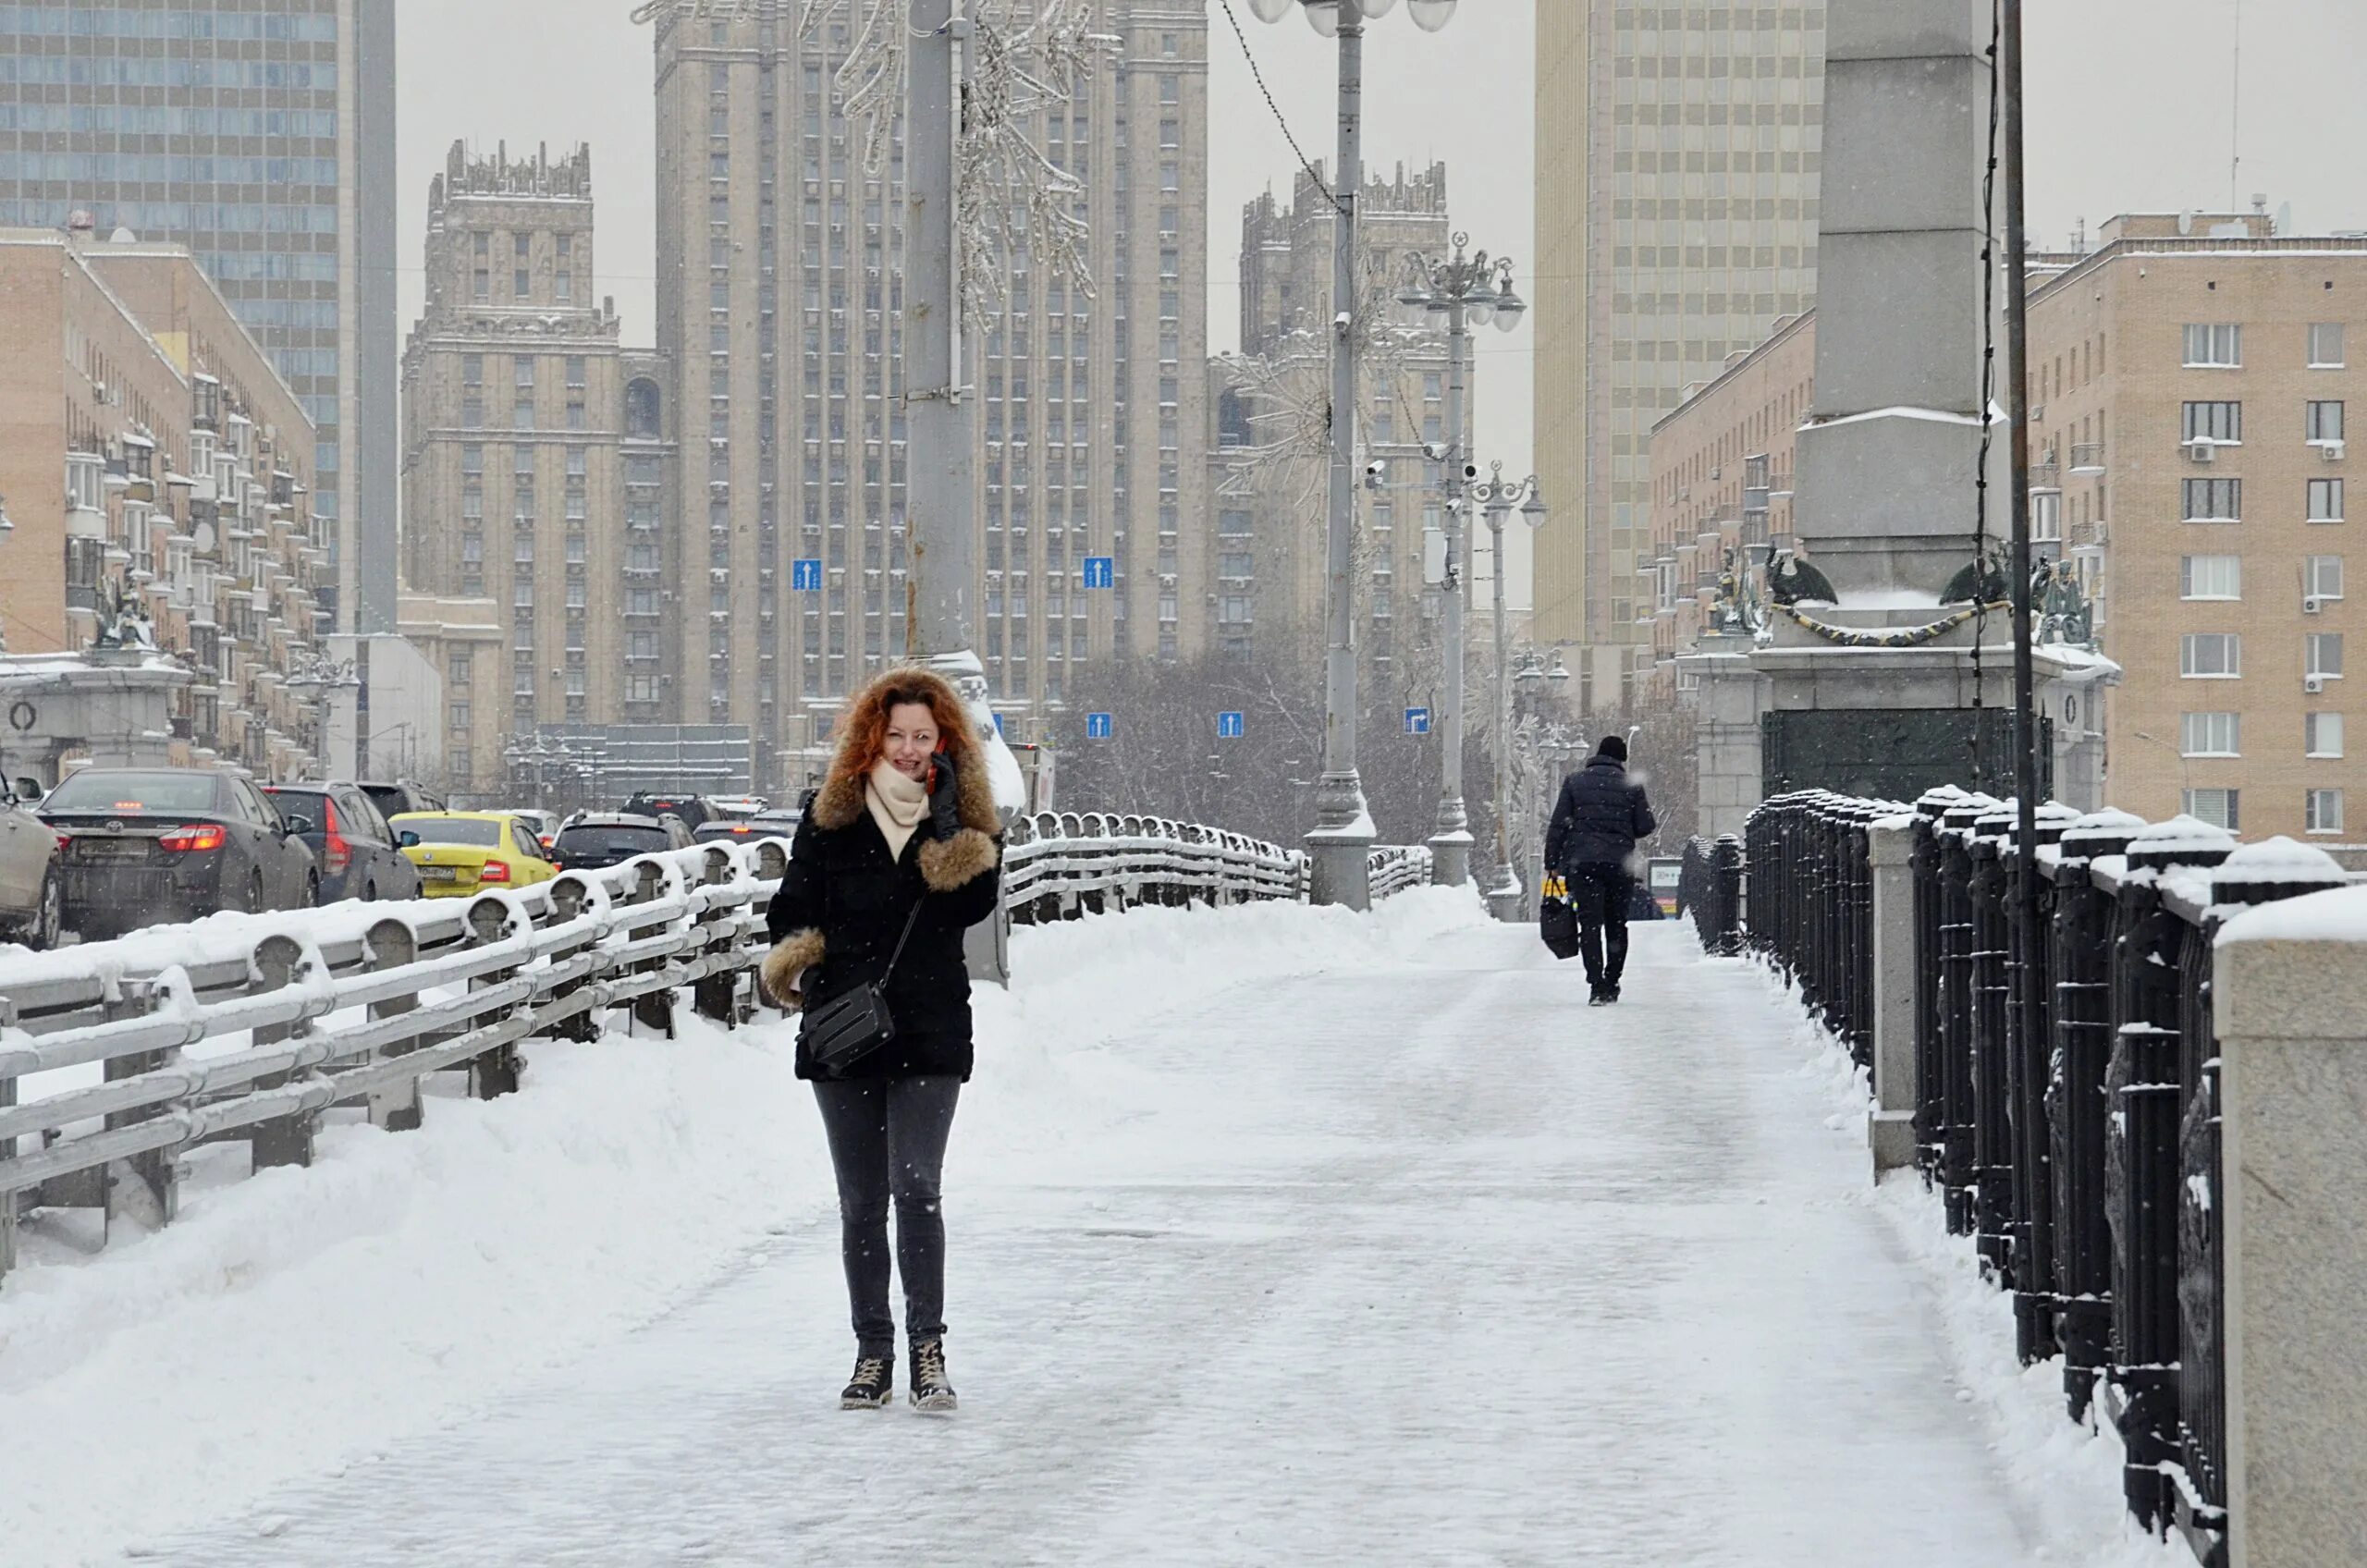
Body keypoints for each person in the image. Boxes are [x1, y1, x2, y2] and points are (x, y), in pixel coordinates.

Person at [761, 666, 1003, 1413]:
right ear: (873, 737)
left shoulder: (963, 816)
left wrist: (950, 827)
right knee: (862, 1201)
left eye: (922, 737)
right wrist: (800, 963)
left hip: (930, 1024)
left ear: (943, 742)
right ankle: (873, 1354)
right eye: (895, 735)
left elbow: (974, 906)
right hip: (847, 1028)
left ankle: (928, 1349)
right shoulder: (829, 816)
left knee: (917, 1190)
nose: (906, 749)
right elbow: (792, 905)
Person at [1542, 734, 1657, 1006]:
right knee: (1617, 925)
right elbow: (1646, 825)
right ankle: (1613, 980)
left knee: (1590, 925)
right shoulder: (1631, 785)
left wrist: (1552, 863)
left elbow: (1558, 824)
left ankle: (1596, 986)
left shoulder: (1575, 782)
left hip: (1583, 865)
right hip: (1620, 865)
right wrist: (1622, 827)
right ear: (1622, 759)